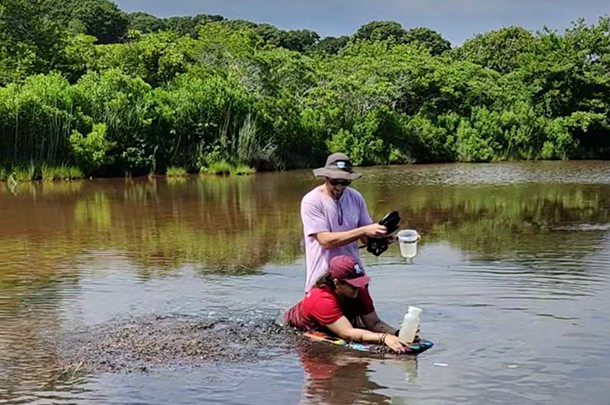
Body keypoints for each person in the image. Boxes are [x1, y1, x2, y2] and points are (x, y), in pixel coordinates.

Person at [301, 152, 389, 292]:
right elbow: (325, 241)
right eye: (335, 181)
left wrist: (382, 237)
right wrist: (364, 230)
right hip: (324, 276)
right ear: (326, 177)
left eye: (345, 182)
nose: (339, 186)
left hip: (354, 274)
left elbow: (366, 239)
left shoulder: (356, 197)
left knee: (364, 313)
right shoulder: (312, 201)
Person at [283, 255, 407, 353]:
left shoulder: (359, 289)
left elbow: (373, 322)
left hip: (335, 323)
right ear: (337, 283)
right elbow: (347, 332)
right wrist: (384, 338)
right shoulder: (321, 299)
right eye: (354, 286)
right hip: (293, 328)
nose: (359, 289)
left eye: (360, 283)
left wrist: (396, 333)